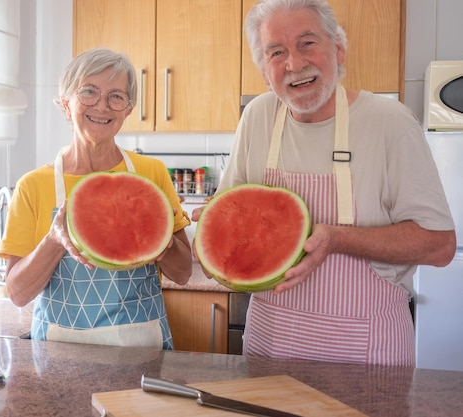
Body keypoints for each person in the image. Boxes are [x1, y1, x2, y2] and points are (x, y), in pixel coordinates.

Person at [193, 0, 456, 366]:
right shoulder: (257, 117)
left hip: (366, 352)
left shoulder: (389, 122)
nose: (294, 64)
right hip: (269, 346)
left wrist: (337, 238)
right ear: (263, 71)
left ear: (338, 49)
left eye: (307, 43)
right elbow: (228, 220)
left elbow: (439, 246)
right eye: (276, 52)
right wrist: (213, 240)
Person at [0, 48, 192, 349]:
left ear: (128, 109)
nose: (102, 106)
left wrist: (162, 240)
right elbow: (19, 294)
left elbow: (183, 274)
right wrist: (53, 240)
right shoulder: (32, 186)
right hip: (60, 351)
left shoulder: (150, 173)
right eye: (89, 92)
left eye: (116, 96)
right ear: (66, 103)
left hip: (141, 347)